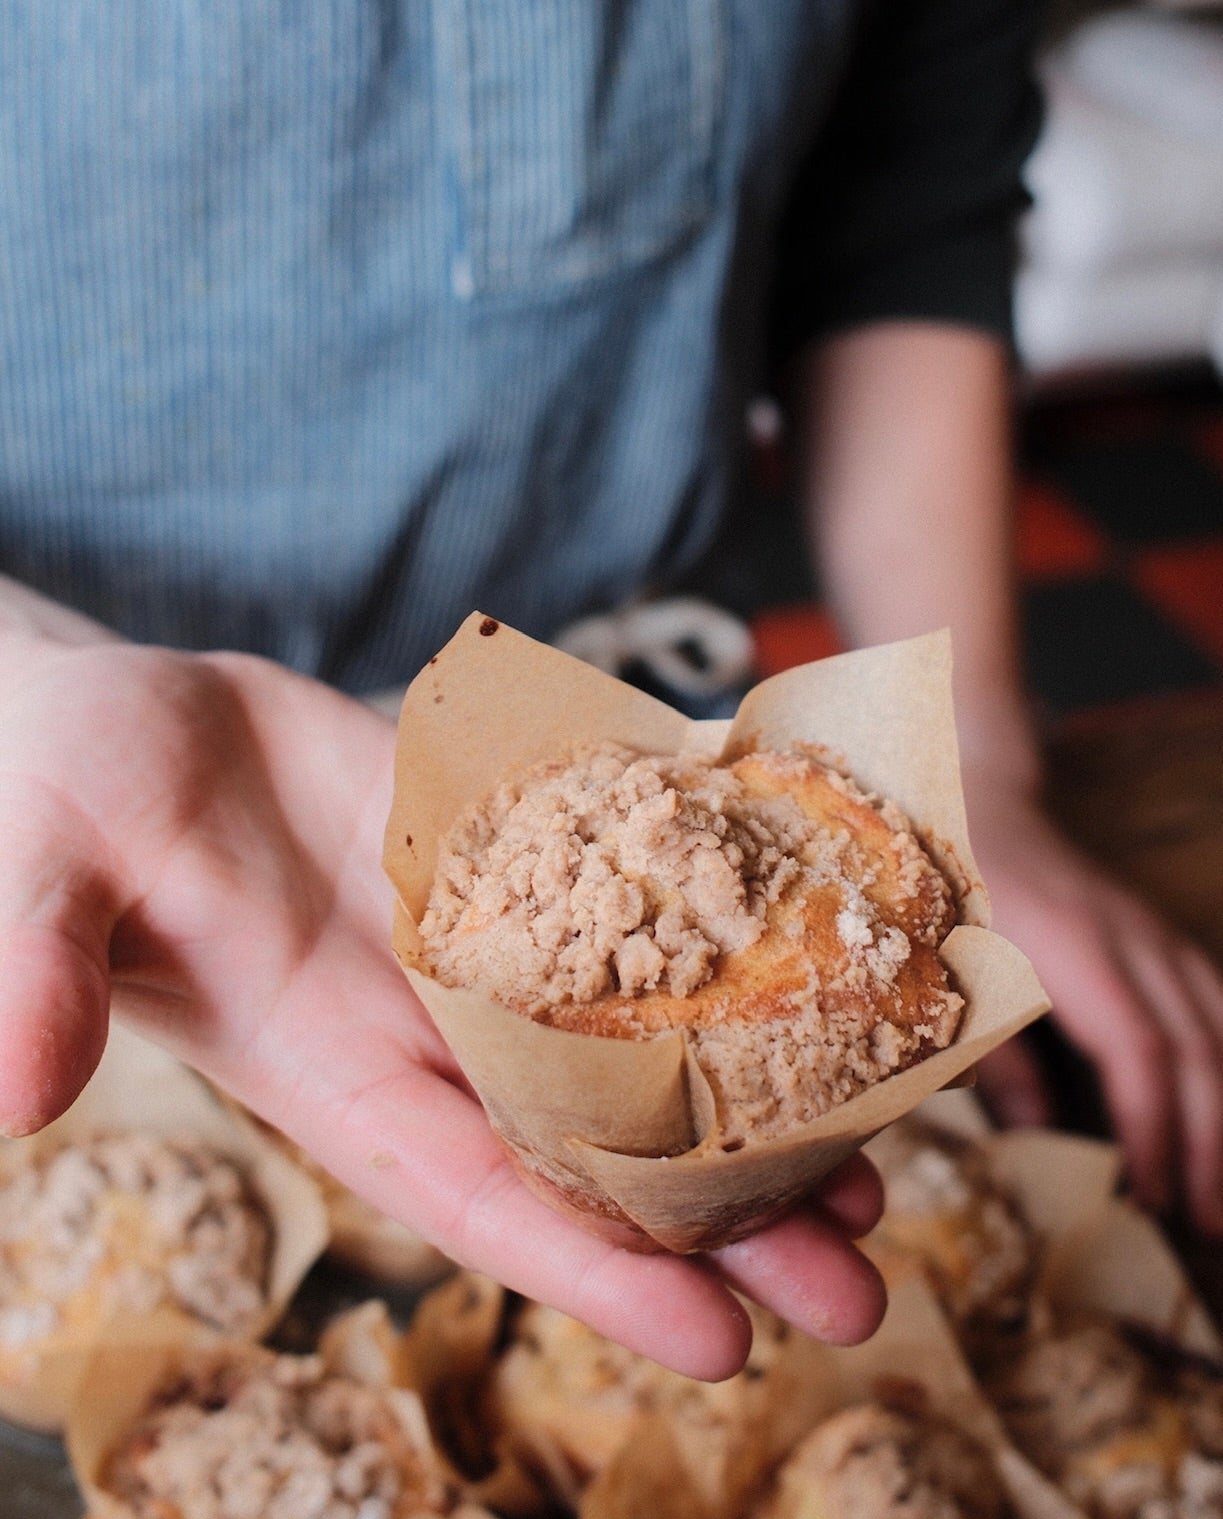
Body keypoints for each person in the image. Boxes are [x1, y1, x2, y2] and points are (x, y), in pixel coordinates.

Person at [1, 3, 1221, 1381]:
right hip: (120, 825)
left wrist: (971, 766)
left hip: (658, 737)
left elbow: (905, 190)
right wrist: (26, 668)